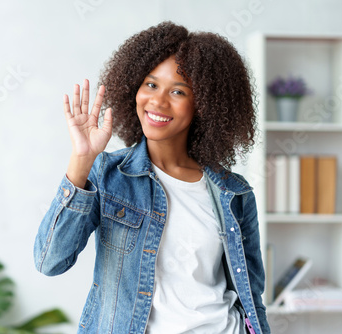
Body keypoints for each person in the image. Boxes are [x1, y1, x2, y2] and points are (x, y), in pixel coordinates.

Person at [34, 21, 270, 334]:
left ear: (204, 105)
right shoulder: (108, 175)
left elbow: (251, 295)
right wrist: (82, 160)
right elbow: (50, 261)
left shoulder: (233, 192)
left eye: (178, 91)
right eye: (151, 84)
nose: (158, 101)